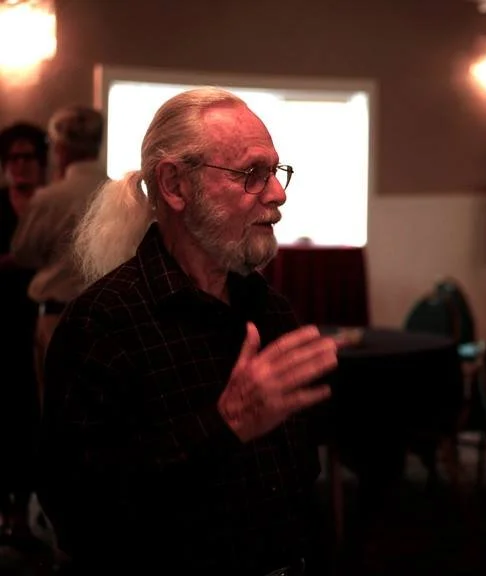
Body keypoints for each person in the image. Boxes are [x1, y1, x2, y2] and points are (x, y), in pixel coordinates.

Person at [37, 88, 340, 576]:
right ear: (175, 185)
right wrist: (225, 424)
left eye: (275, 171)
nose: (278, 194)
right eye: (251, 173)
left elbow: (298, 481)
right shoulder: (102, 323)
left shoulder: (269, 308)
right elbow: (79, 516)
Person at [10, 105, 108, 401]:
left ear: (61, 148)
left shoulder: (50, 198)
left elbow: (23, 253)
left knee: (56, 405)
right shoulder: (116, 193)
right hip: (106, 319)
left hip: (57, 318)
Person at [0, 121, 48, 538]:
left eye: (28, 157)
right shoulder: (1, 203)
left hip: (41, 315)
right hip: (3, 317)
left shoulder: (49, 203)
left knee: (34, 412)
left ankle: (25, 506)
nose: (21, 165)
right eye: (13, 158)